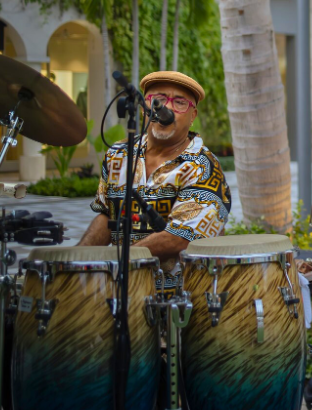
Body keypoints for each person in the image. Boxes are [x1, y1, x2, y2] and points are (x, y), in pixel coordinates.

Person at [79, 70, 232, 280]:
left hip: (175, 296)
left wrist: (121, 262)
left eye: (179, 102)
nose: (166, 107)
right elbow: (108, 215)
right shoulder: (118, 155)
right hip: (114, 286)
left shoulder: (203, 166)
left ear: (192, 116)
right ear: (144, 108)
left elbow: (184, 237)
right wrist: (77, 259)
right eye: (158, 99)